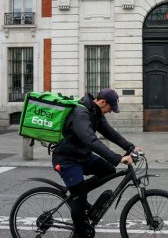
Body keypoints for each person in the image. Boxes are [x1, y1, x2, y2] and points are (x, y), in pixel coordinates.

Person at [52, 88, 138, 238]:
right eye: (110, 108)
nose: (110, 111)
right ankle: (80, 233)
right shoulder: (81, 113)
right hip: (67, 160)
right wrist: (118, 158)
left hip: (82, 156)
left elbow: (110, 132)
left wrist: (130, 147)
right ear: (102, 102)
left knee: (109, 171)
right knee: (79, 197)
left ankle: (77, 192)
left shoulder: (95, 112)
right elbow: (90, 140)